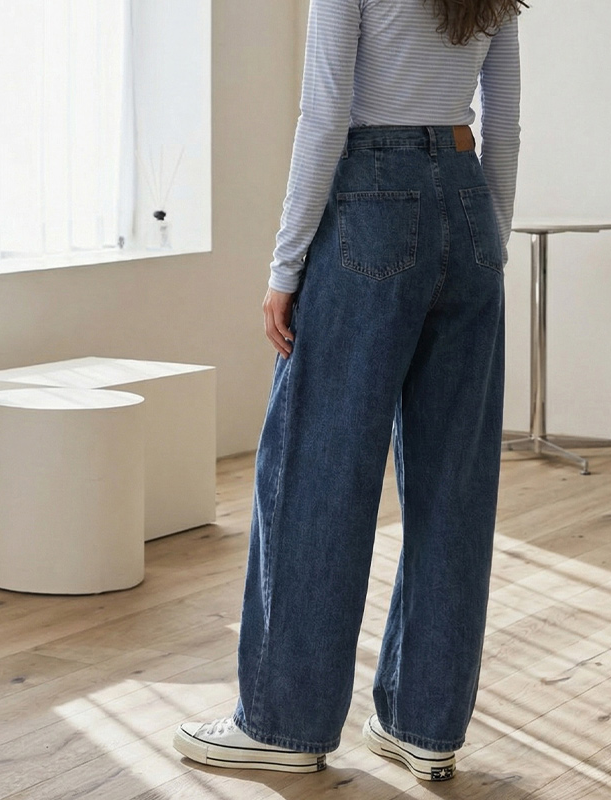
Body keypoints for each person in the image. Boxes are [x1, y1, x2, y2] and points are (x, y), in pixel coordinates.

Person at [174, 0, 522, 782]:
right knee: (454, 485)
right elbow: (503, 121)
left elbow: (325, 114)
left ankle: (283, 724)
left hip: (371, 200)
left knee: (315, 471)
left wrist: (284, 267)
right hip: (469, 199)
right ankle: (425, 725)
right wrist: (486, 241)